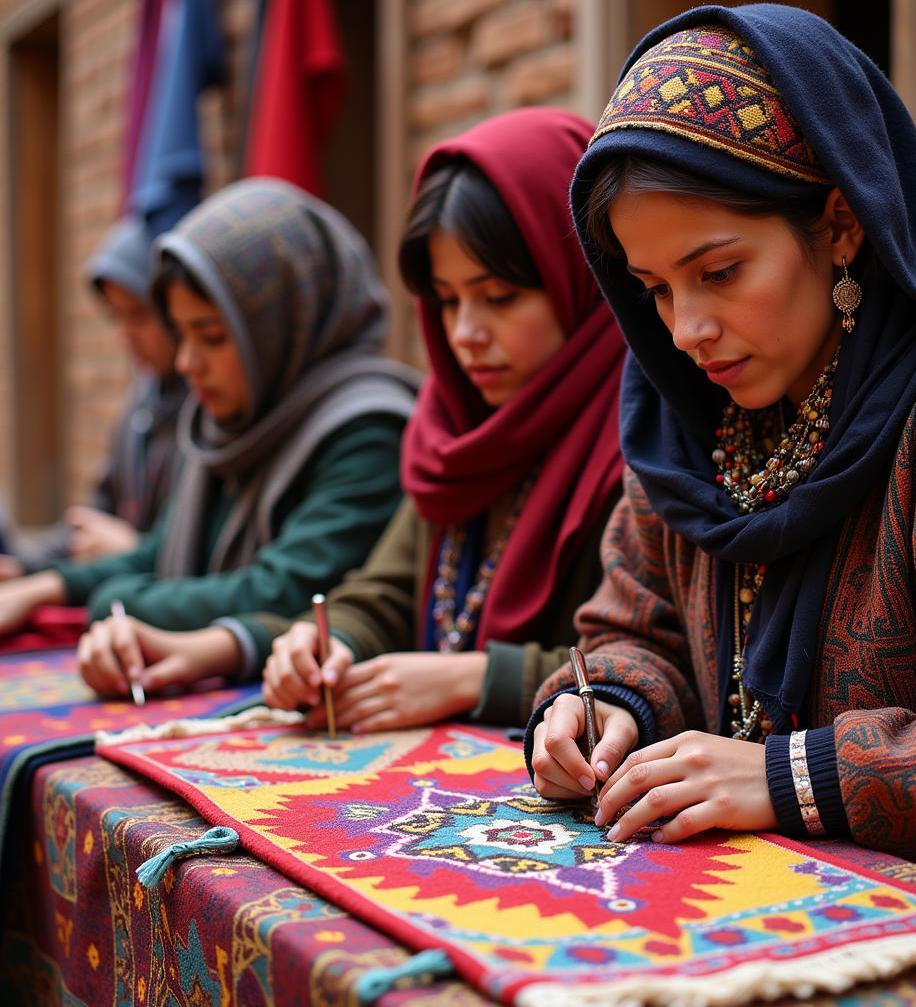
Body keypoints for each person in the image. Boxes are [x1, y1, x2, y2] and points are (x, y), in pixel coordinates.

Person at [527, 7, 916, 897]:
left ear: (840, 223)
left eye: (718, 272)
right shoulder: (694, 430)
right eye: (654, 290)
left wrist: (789, 776)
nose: (687, 330)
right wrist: (601, 708)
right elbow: (635, 631)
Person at [241, 108, 627, 731]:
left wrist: (471, 678)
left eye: (498, 297)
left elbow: (660, 660)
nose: (464, 335)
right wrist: (328, 642)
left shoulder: (644, 434)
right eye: (447, 301)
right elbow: (386, 591)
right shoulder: (453, 429)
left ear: (584, 275)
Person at [0, 178, 419, 697]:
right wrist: (41, 586)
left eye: (213, 337)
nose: (186, 363)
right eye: (182, 334)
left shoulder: (369, 429)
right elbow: (159, 549)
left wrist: (114, 598)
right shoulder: (229, 424)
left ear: (276, 327)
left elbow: (281, 590)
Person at [0, 217, 187, 580]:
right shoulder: (142, 402)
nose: (127, 336)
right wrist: (20, 566)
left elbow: (205, 554)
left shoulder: (209, 412)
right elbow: (94, 516)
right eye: (118, 317)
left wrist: (134, 548)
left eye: (139, 316)